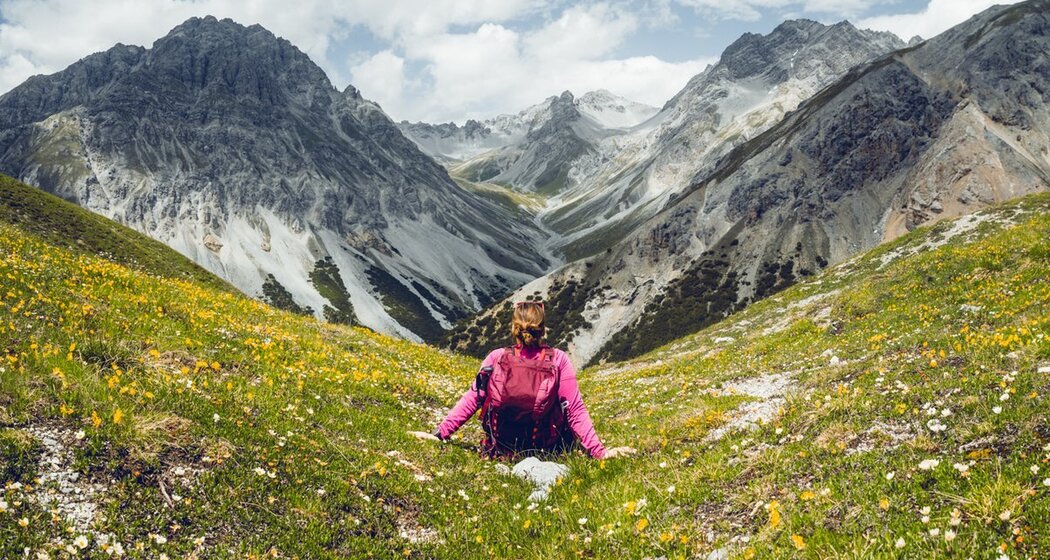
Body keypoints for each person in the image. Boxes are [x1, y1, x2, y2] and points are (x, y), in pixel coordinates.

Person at [410, 301, 634, 460]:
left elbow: (473, 398)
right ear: (542, 329)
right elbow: (573, 409)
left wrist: (440, 435)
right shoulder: (558, 360)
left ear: (513, 329)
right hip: (546, 451)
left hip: (500, 449)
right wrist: (599, 452)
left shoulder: (496, 358)